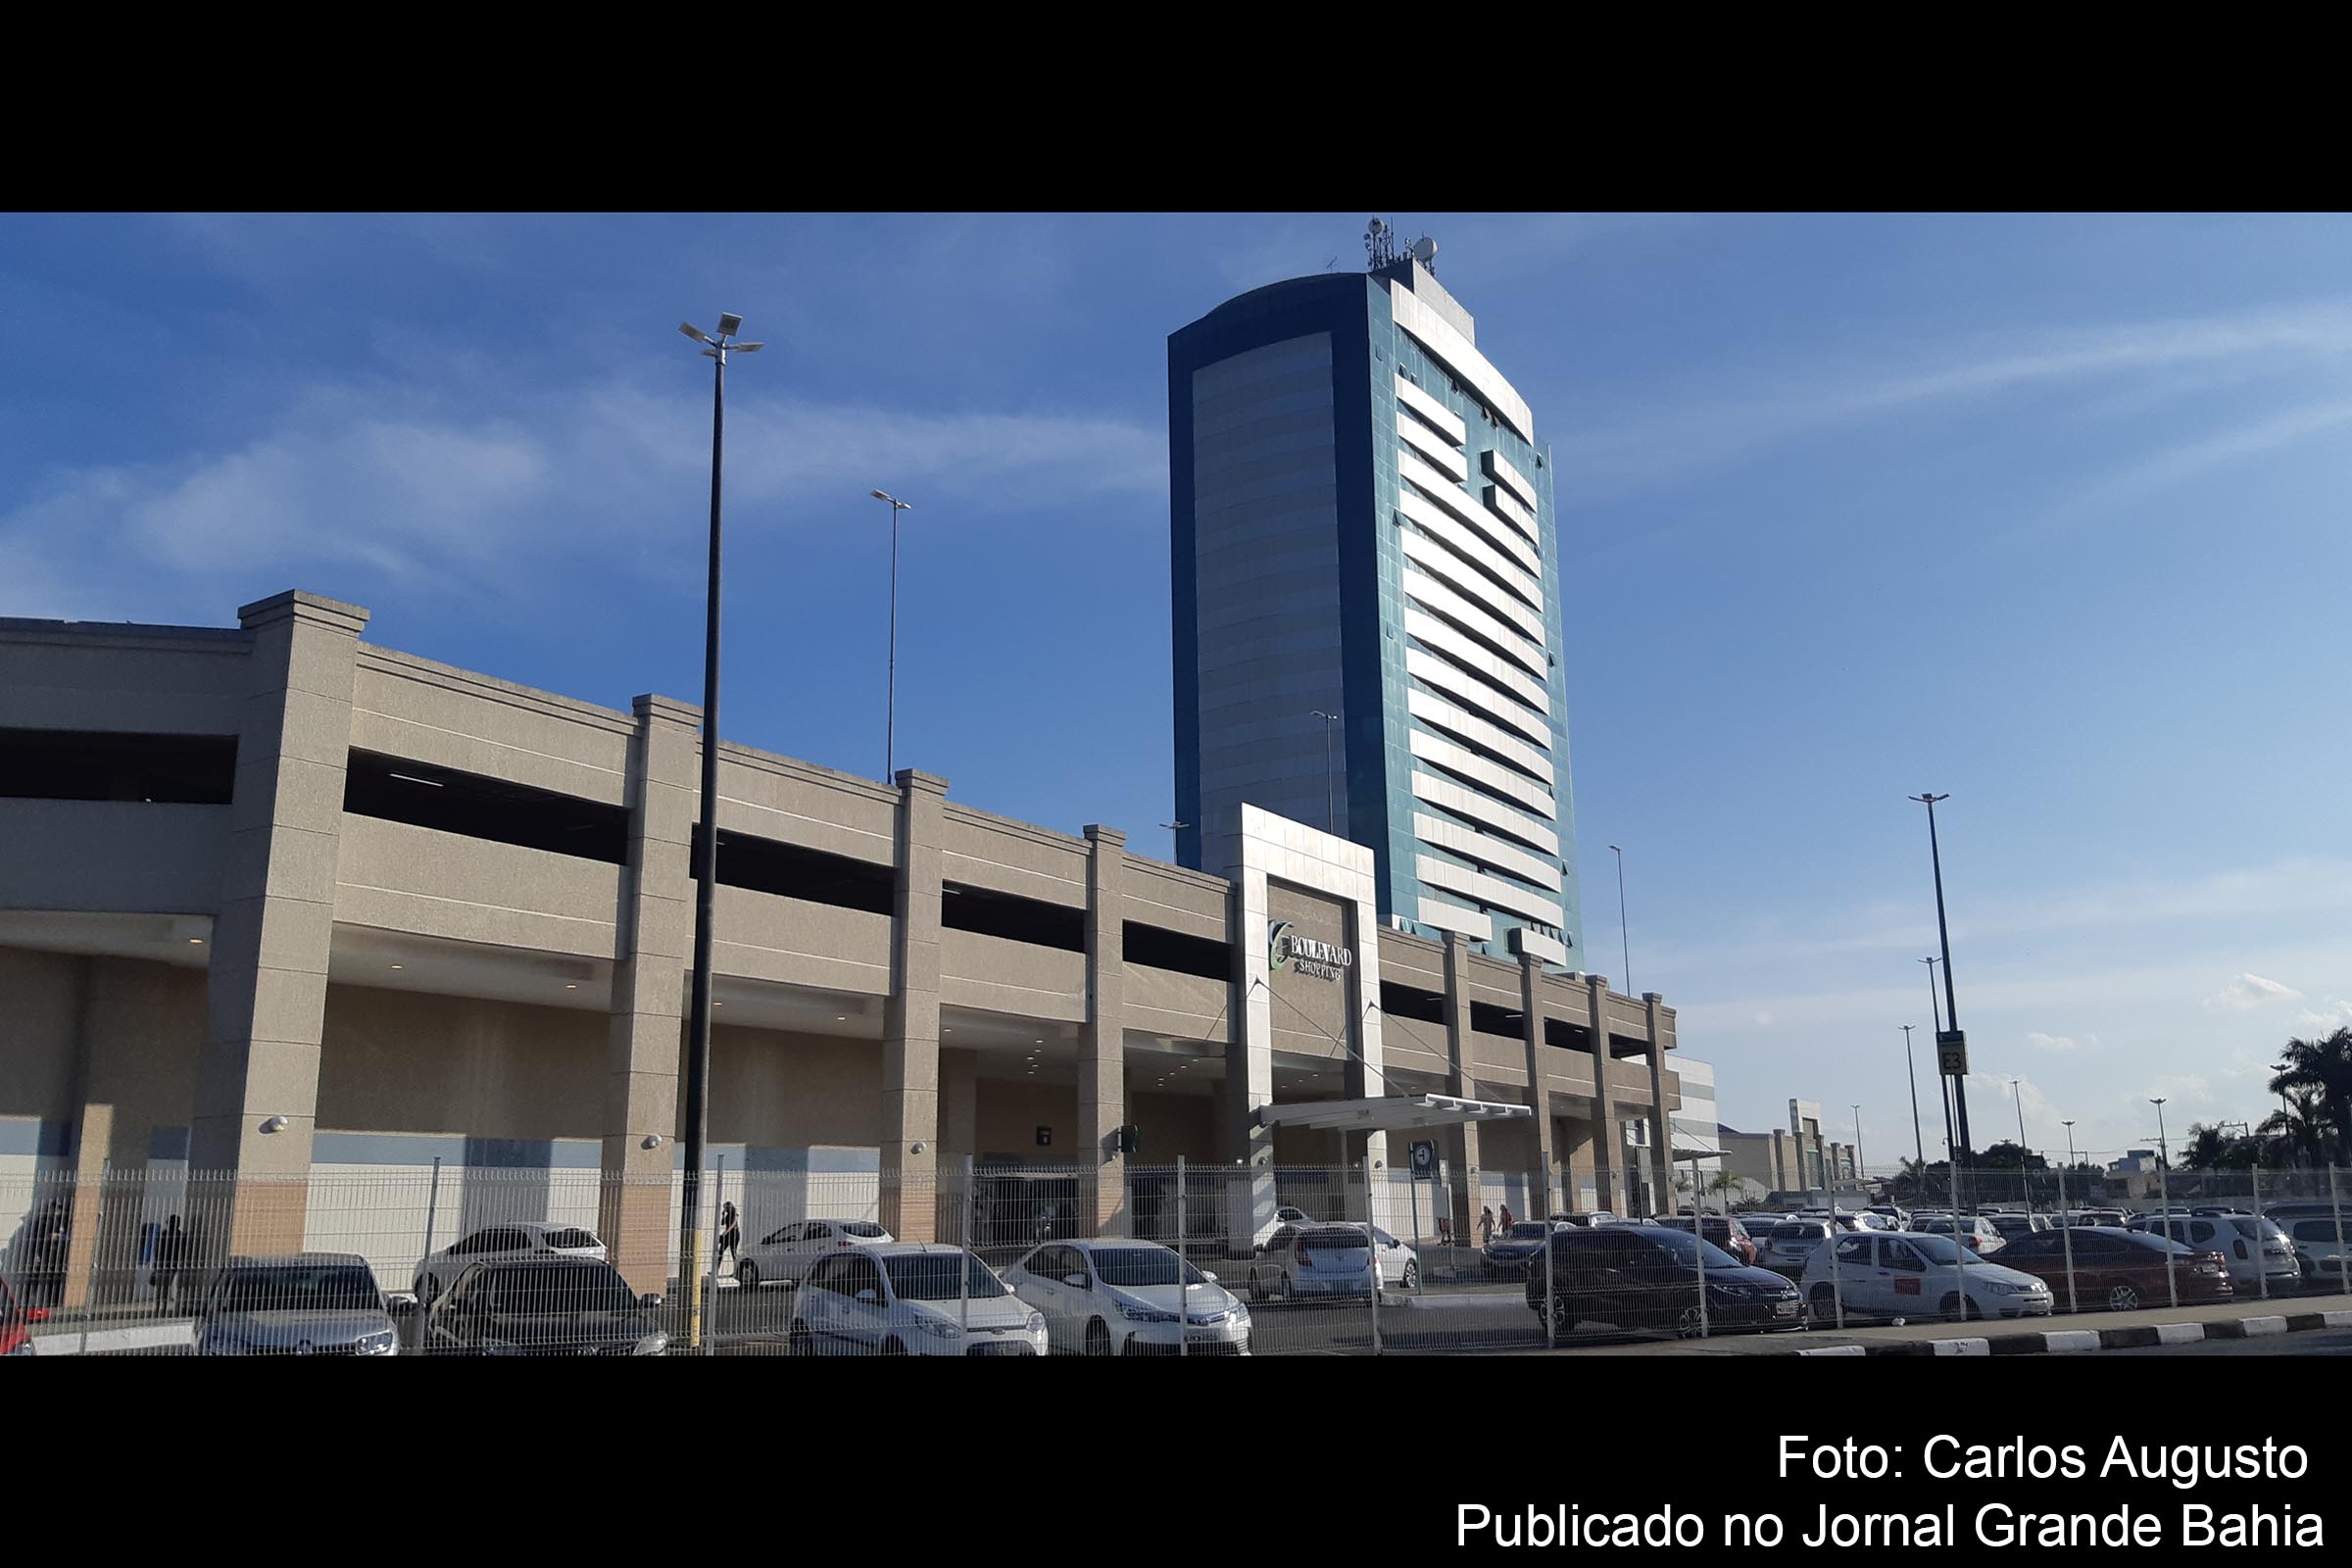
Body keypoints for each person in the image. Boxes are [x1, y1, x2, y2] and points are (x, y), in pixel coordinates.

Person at [151, 1214, 187, 1314]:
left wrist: (155, 1265)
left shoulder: (165, 1234)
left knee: (160, 1287)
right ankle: (162, 1307)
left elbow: (157, 1251)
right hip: (171, 1265)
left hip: (163, 1264)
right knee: (165, 1287)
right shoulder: (180, 1236)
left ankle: (159, 1307)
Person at [714, 1201, 741, 1273]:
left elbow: (733, 1224)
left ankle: (737, 1271)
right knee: (720, 1251)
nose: (725, 1209)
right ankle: (716, 1270)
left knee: (733, 1253)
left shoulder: (735, 1213)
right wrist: (723, 1215)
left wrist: (726, 1231)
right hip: (728, 1236)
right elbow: (722, 1223)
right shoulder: (727, 1215)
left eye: (725, 1208)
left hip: (734, 1235)